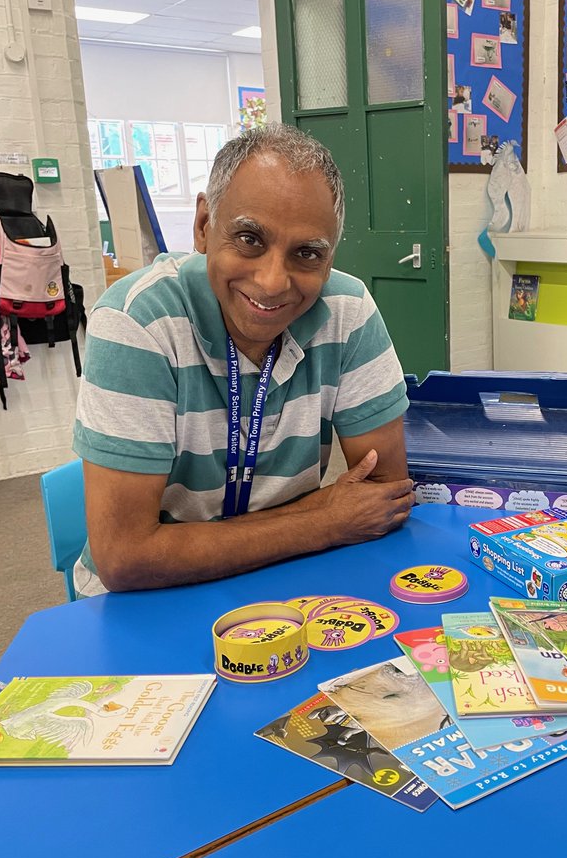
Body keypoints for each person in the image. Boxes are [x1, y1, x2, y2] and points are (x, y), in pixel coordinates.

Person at [72, 124, 414, 596]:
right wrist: (323, 520)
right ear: (203, 226)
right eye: (250, 239)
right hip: (149, 600)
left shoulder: (348, 312)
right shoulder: (136, 323)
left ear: (330, 257)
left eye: (307, 253)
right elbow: (126, 558)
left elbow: (383, 497)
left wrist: (230, 539)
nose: (272, 282)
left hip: (285, 578)